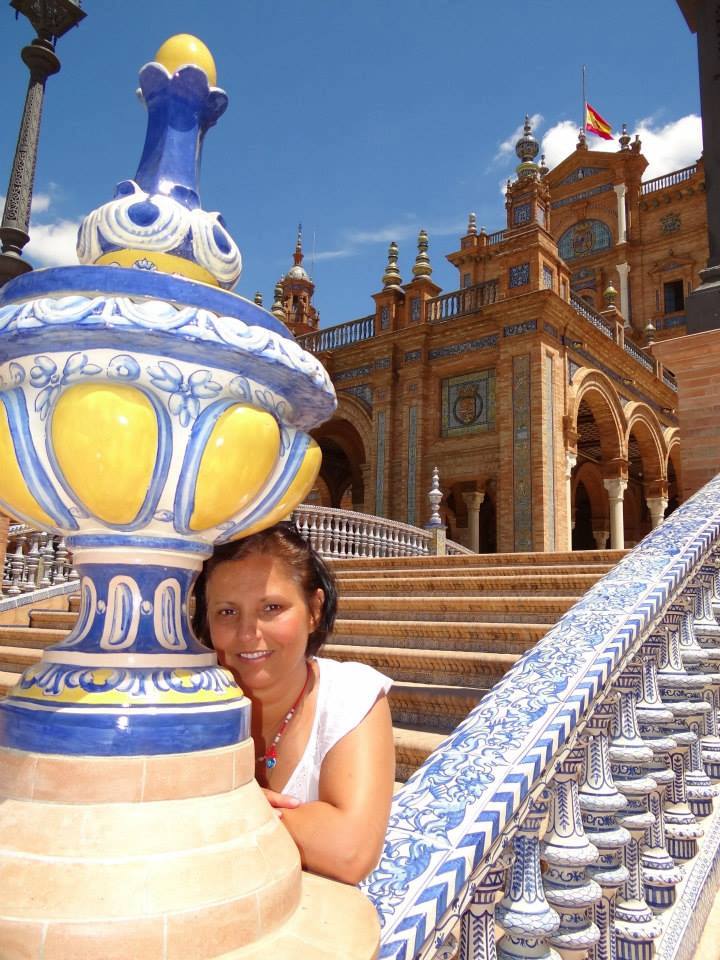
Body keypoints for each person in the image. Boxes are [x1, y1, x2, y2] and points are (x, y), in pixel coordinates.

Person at [193, 523, 395, 885]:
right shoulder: (187, 700)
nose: (248, 633)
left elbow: (349, 852)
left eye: (272, 607)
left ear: (314, 610)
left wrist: (226, 803)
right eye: (227, 612)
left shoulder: (349, 694)